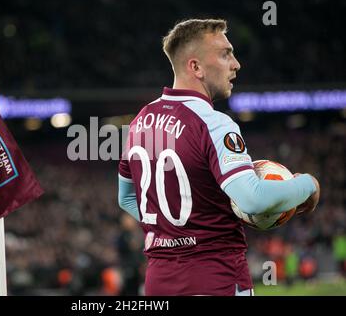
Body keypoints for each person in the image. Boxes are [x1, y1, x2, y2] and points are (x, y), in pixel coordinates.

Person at [117, 18, 320, 296]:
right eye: (226, 54)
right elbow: (254, 198)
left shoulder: (141, 121)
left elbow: (126, 198)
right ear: (196, 67)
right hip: (215, 278)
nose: (236, 64)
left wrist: (174, 233)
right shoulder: (213, 123)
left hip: (158, 283)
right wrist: (307, 184)